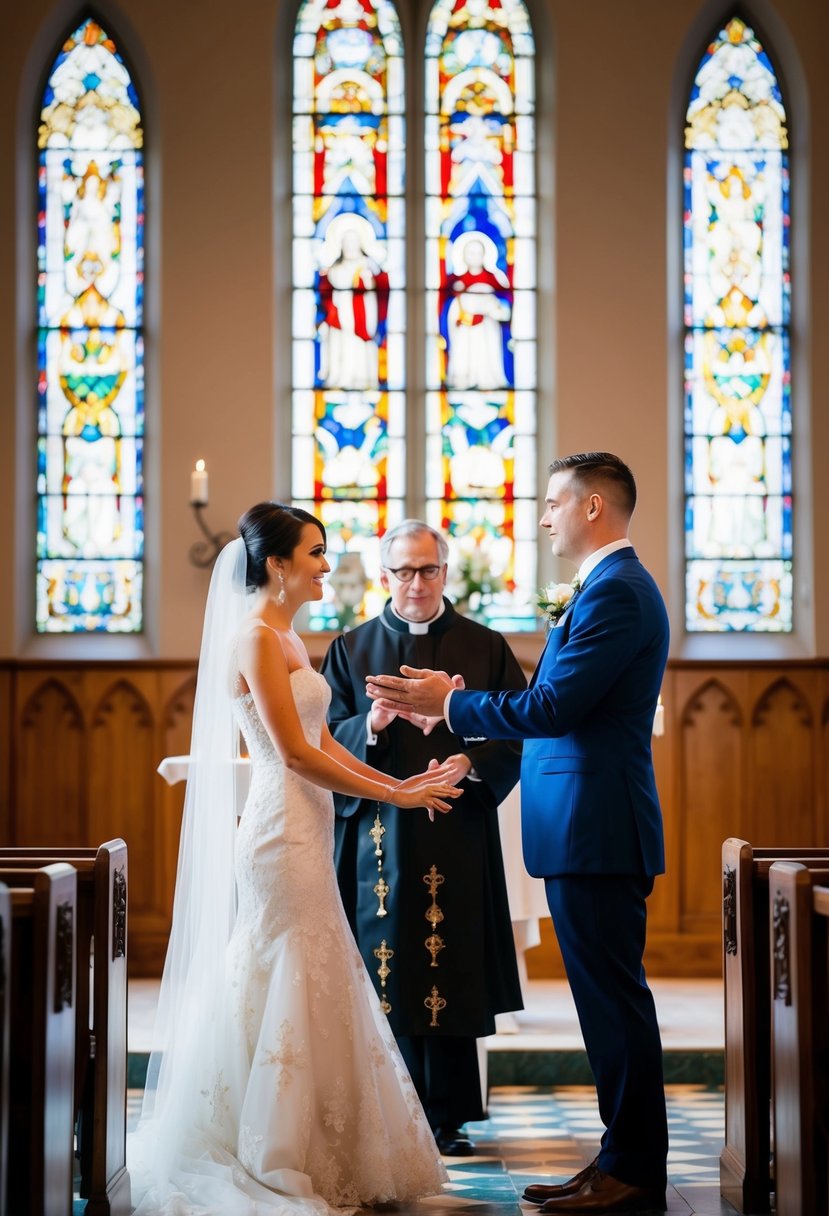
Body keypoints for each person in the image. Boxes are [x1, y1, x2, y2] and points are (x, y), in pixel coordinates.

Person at [129, 502, 463, 1214]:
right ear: (277, 563)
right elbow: (292, 753)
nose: (324, 565)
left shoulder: (285, 635)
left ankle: (316, 1138)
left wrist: (396, 784)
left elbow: (325, 741)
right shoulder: (254, 638)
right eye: (314, 553)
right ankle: (269, 1146)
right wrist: (394, 800)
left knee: (308, 967)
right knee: (284, 965)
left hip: (306, 822)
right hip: (282, 831)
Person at [365, 455, 670, 1214]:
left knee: (613, 1000)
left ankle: (632, 1168)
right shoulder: (602, 589)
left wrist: (451, 705)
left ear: (592, 507)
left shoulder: (618, 593)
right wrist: (461, 719)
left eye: (551, 502)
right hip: (583, 829)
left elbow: (553, 708)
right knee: (603, 1003)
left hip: (597, 829)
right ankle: (617, 1157)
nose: (541, 517)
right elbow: (550, 701)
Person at [320, 519, 526, 1156]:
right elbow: (324, 737)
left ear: (446, 572)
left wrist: (467, 758)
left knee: (451, 954)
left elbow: (516, 734)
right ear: (384, 577)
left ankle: (448, 1114)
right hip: (381, 832)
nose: (415, 582)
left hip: (456, 828)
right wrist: (373, 724)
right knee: (391, 960)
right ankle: (387, 1105)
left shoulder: (485, 647)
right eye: (403, 570)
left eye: (427, 569)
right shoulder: (351, 649)